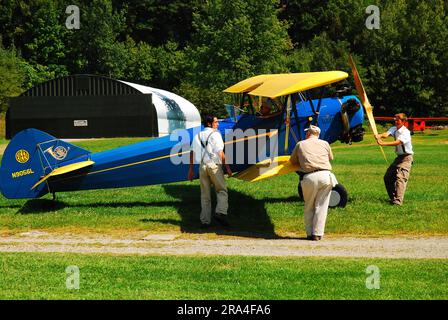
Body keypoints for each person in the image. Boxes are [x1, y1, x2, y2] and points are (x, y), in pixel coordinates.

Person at [289, 125, 337, 241]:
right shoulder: (325, 143)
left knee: (309, 205)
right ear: (318, 134)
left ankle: (309, 233)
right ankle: (318, 234)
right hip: (326, 176)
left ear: (308, 134)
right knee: (322, 206)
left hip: (309, 177)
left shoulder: (300, 144)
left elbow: (292, 161)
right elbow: (331, 158)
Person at [189, 115, 232, 228]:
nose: (218, 124)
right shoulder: (215, 134)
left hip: (202, 167)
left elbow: (192, 153)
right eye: (216, 122)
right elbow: (220, 152)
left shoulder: (197, 135)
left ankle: (205, 221)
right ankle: (221, 212)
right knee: (222, 190)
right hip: (214, 166)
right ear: (209, 124)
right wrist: (227, 167)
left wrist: (191, 170)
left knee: (205, 195)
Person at [375, 113, 414, 206]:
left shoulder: (406, 132)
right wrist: (379, 136)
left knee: (400, 178)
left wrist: (383, 144)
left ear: (403, 121)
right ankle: (393, 198)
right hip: (398, 158)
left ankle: (398, 202)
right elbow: (386, 134)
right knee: (388, 177)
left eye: (398, 120)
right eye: (395, 119)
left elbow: (398, 142)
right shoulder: (394, 129)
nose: (396, 121)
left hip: (406, 158)